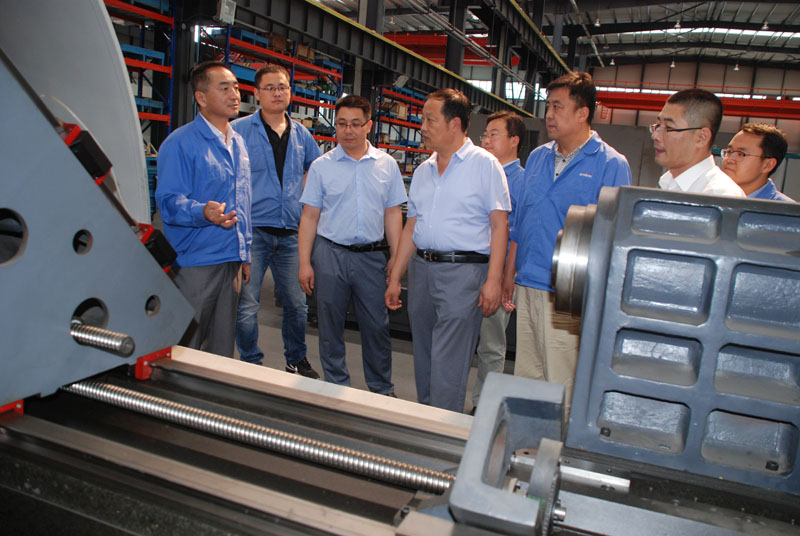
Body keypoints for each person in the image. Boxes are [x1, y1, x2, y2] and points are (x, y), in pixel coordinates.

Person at [503, 72, 631, 419]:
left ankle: (559, 446)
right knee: (527, 375)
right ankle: (528, 440)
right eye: (548, 106)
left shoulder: (610, 164)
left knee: (561, 381)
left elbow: (614, 237)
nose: (549, 114)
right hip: (528, 282)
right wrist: (510, 273)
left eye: (558, 107)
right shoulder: (539, 157)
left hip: (569, 291)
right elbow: (521, 221)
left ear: (582, 113)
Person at [385, 88, 510, 413]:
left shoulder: (485, 165)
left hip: (464, 273)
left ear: (455, 124)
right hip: (422, 270)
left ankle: (443, 428)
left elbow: (500, 226)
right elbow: (412, 227)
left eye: (430, 120)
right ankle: (427, 418)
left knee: (449, 360)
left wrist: (493, 280)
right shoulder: (423, 170)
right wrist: (396, 276)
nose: (422, 126)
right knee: (425, 355)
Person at [298, 95, 406, 395]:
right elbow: (309, 217)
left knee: (376, 326)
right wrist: (305, 262)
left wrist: (396, 259)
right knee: (329, 324)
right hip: (329, 254)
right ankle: (336, 385)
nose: (348, 131)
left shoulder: (386, 165)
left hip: (371, 258)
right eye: (342, 124)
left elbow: (393, 214)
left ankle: (381, 389)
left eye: (356, 124)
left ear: (369, 125)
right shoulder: (321, 167)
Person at [156, 60, 251, 357]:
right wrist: (201, 212)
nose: (234, 94)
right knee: (186, 346)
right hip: (195, 262)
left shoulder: (238, 143)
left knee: (221, 349)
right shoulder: (180, 143)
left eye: (236, 87)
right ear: (201, 97)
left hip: (231, 260)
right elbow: (168, 202)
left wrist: (245, 252)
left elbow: (245, 201)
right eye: (224, 88)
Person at [232, 64, 322, 377]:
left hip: (291, 234)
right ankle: (251, 363)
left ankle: (296, 359)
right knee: (247, 306)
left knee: (297, 305)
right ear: (256, 94)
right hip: (253, 231)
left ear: (290, 92)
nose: (277, 93)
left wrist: (304, 198)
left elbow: (317, 169)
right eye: (269, 88)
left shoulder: (301, 135)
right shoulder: (239, 131)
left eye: (282, 87)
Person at [470, 110, 525, 413]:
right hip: (471, 267)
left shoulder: (520, 181)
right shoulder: (481, 172)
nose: (486, 140)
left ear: (514, 140)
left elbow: (516, 233)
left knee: (491, 345)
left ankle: (485, 407)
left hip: (499, 272)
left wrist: (507, 277)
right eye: (485, 135)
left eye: (494, 134)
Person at [652, 88, 744, 196]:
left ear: (701, 137)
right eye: (658, 125)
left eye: (669, 127)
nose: (655, 136)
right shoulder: (668, 183)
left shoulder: (719, 195)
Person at [721, 123, 794, 202]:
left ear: (767, 165)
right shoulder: (714, 194)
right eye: (729, 151)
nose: (729, 160)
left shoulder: (782, 208)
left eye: (740, 154)